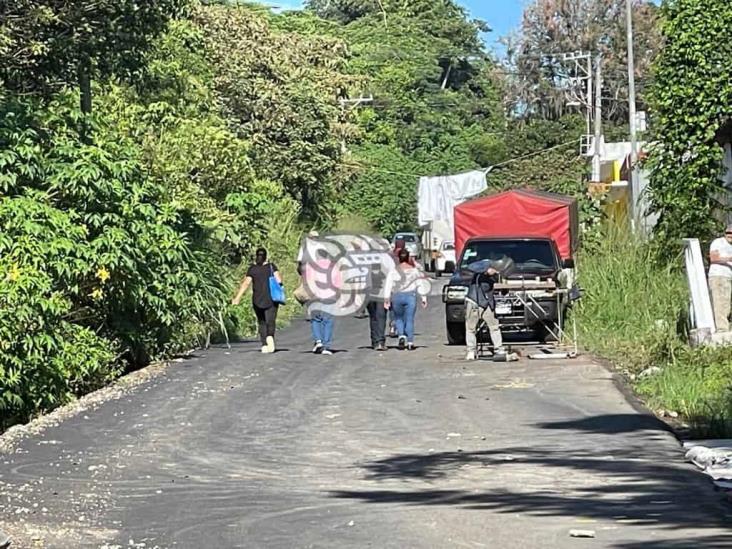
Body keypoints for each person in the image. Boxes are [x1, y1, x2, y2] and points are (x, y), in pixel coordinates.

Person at [232, 247, 282, 353]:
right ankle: (270, 338)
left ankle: (264, 345)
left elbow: (246, 284)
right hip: (272, 299)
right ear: (266, 256)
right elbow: (279, 280)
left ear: (256, 256)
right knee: (271, 321)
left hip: (257, 300)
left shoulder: (252, 269)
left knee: (262, 322)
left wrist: (237, 298)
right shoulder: (271, 267)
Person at [384, 248, 428, 350]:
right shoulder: (414, 271)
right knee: (409, 319)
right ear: (408, 258)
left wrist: (387, 299)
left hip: (397, 296)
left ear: (399, 258)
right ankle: (410, 342)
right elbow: (420, 284)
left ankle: (401, 336)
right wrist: (423, 297)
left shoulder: (393, 271)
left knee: (398, 318)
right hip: (410, 297)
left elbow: (388, 285)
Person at [464, 260, 505, 361]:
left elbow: (501, 289)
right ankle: (471, 351)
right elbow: (471, 266)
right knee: (470, 328)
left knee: (494, 326)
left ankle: (499, 349)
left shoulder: (495, 276)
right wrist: (486, 270)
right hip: (474, 301)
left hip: (487, 303)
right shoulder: (481, 268)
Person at [709, 224, 732, 332]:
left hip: (728, 276)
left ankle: (726, 326)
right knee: (719, 302)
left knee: (726, 303)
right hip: (718, 275)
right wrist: (729, 258)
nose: (730, 235)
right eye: (728, 233)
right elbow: (713, 258)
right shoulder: (718, 242)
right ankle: (722, 329)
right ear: (725, 233)